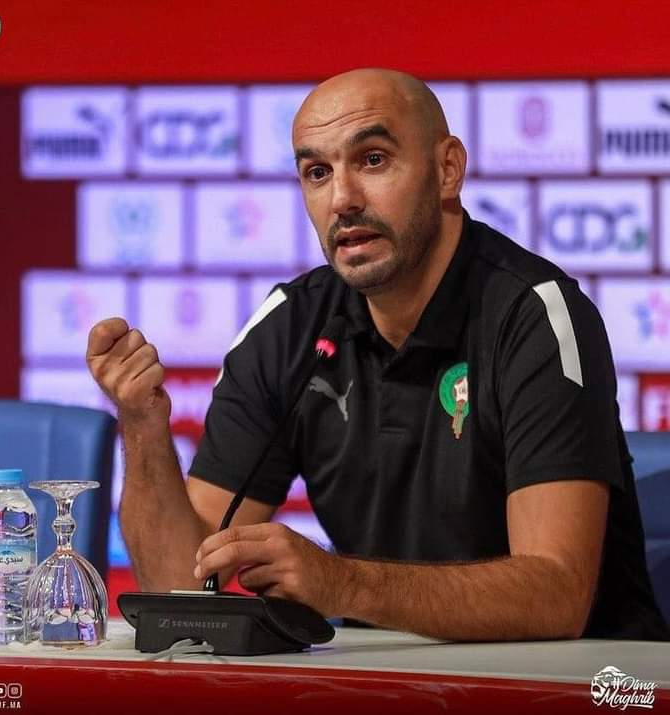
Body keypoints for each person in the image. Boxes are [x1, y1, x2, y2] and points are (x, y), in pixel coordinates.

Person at [87, 68, 669, 641]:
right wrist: (142, 425)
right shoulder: (290, 326)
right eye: (317, 172)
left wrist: (341, 585)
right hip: (391, 679)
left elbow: (556, 597)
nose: (343, 199)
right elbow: (178, 584)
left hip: (583, 687)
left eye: (372, 160)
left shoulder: (534, 314)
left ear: (447, 170)